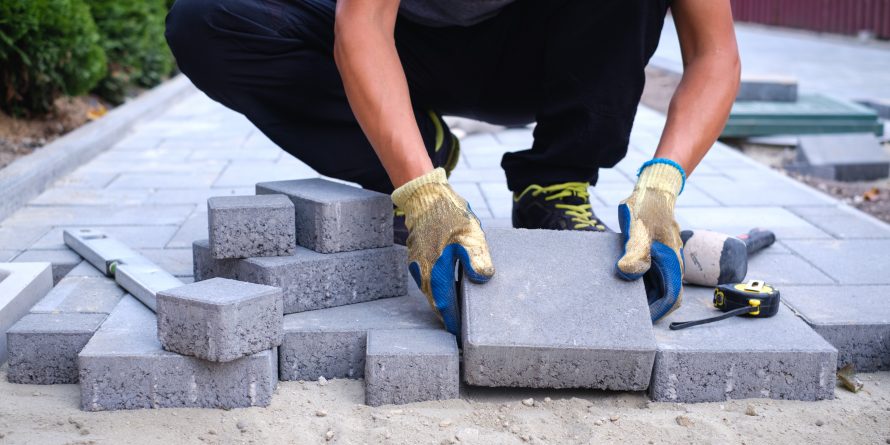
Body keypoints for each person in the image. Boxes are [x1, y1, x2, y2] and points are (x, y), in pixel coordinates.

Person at [166, 0, 740, 335]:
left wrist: (663, 183)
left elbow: (715, 53)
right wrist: (423, 196)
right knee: (204, 21)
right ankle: (418, 149)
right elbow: (361, 27)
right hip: (406, 42)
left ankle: (556, 179)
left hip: (545, 50)